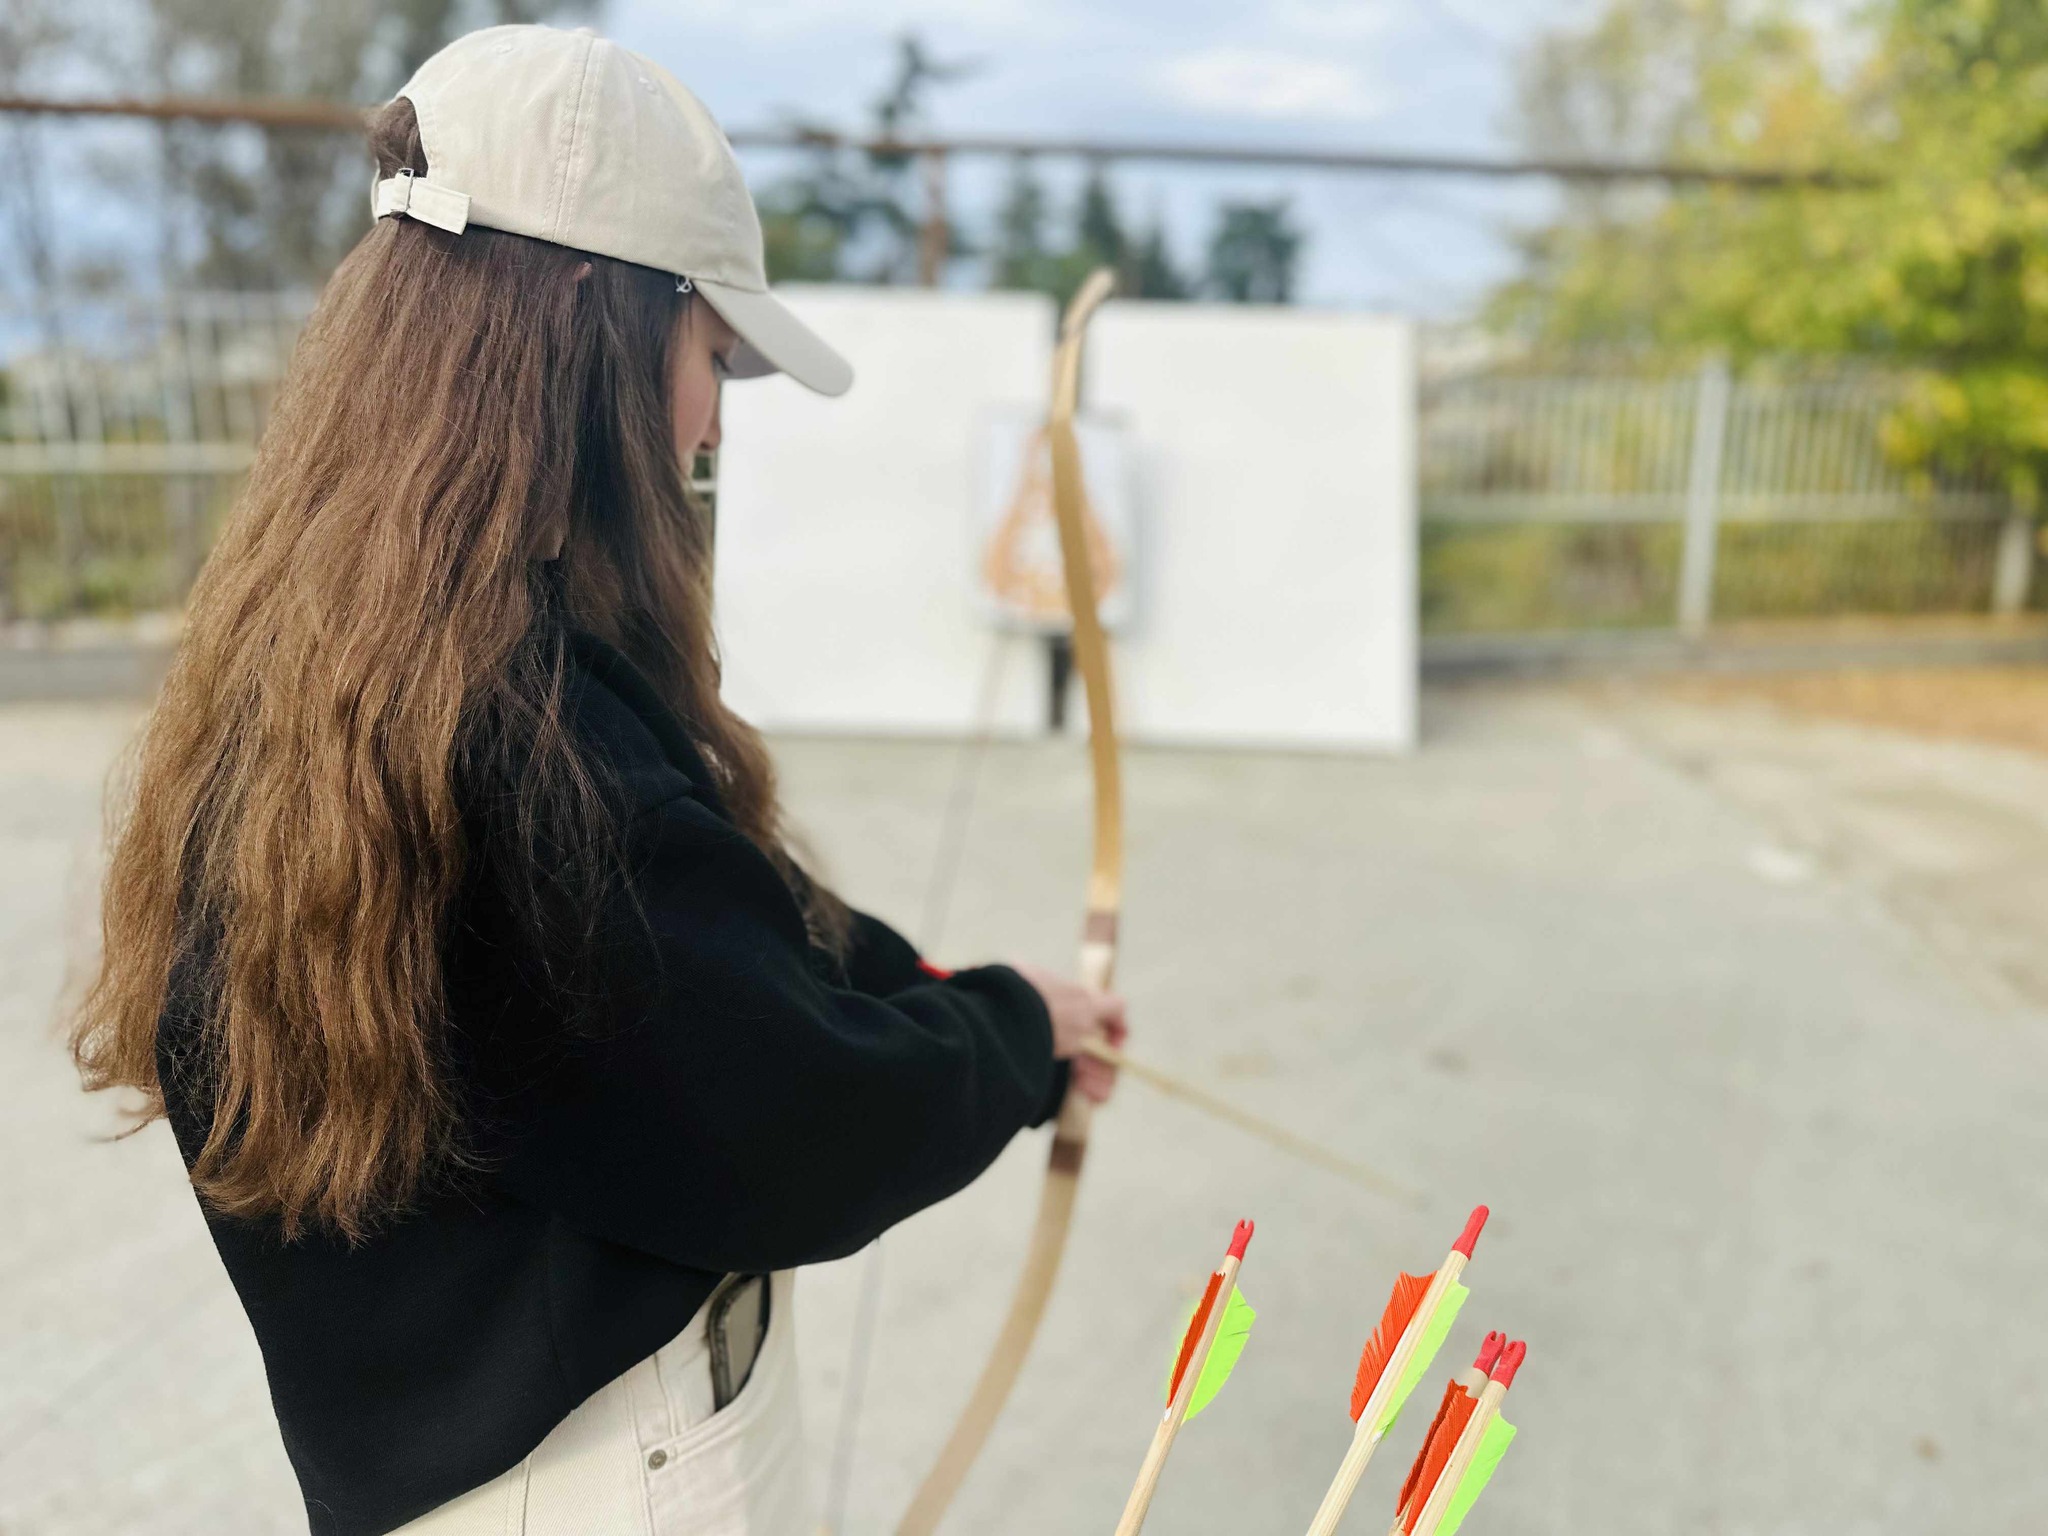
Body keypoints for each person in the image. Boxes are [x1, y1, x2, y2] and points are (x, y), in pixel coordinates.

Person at [67, 24, 1124, 1536]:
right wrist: (1009, 1036)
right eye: (712, 354)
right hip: (611, 1478)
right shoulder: (524, 744)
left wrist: (942, 980)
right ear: (594, 319)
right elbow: (797, 1120)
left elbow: (709, 942)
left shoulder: (332, 665)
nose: (709, 423)